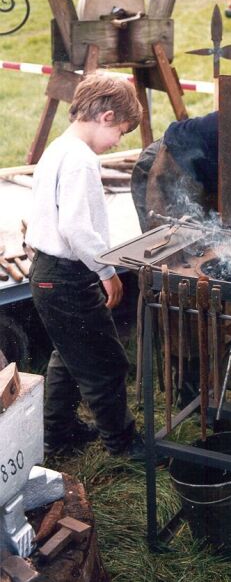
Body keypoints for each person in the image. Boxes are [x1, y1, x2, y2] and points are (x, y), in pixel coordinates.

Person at [26, 73, 146, 459]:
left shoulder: (59, 148)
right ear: (107, 117)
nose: (118, 142)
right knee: (105, 361)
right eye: (122, 133)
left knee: (69, 351)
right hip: (66, 275)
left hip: (48, 272)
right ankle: (123, 443)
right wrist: (106, 270)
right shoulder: (81, 162)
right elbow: (76, 227)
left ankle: (56, 435)